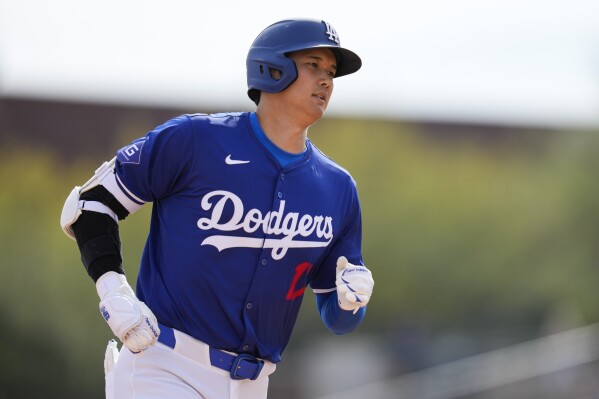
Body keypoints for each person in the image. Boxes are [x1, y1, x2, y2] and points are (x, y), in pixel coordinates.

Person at [60, 18, 374, 399]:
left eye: (331, 72)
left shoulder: (337, 187)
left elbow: (338, 319)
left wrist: (350, 302)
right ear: (272, 68)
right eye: (313, 65)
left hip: (253, 385)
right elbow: (90, 204)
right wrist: (113, 289)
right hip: (164, 368)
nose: (326, 80)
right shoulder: (195, 140)